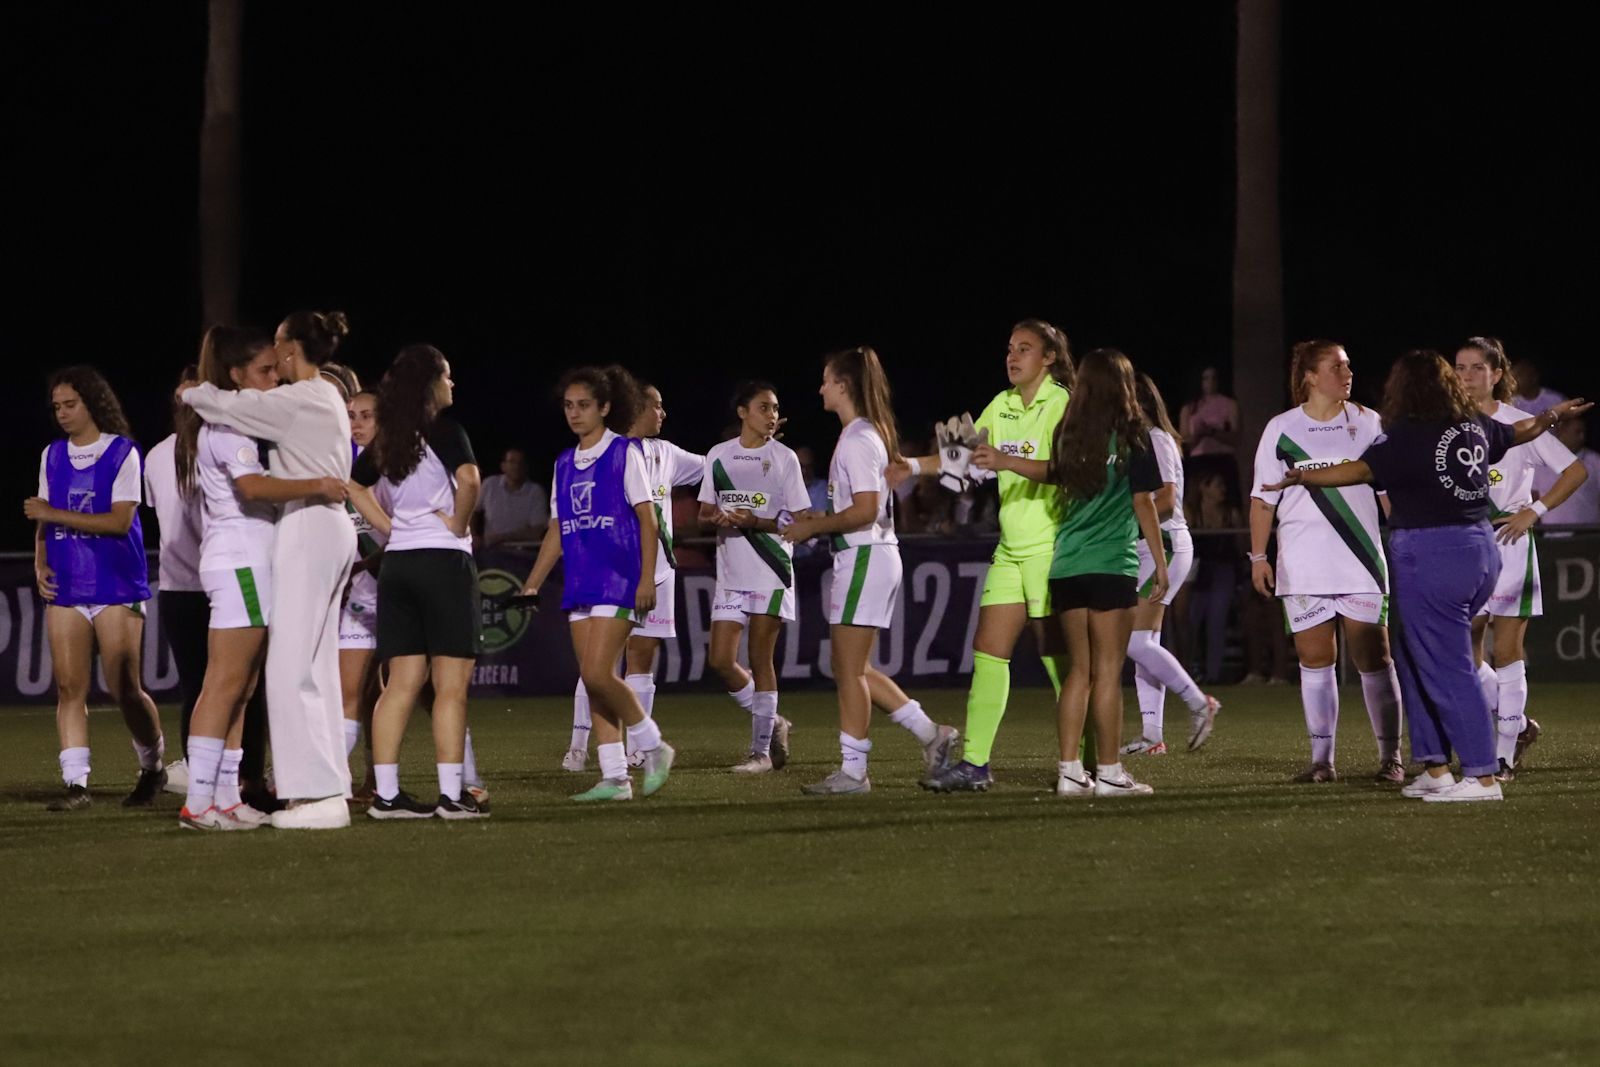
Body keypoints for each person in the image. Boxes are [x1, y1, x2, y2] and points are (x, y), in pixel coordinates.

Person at [1262, 350, 1589, 802]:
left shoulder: (1406, 436)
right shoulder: (1473, 427)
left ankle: (1482, 775)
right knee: (1413, 660)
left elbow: (1359, 471)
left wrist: (1303, 476)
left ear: (1403, 389)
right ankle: (1435, 768)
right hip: (1478, 550)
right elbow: (1523, 430)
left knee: (1451, 665)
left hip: (1434, 553)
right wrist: (1553, 413)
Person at [180, 309, 358, 830]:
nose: (273, 368)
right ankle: (316, 791)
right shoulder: (313, 396)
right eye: (262, 364)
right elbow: (238, 413)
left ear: (289, 347)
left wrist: (189, 390)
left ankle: (311, 793)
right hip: (297, 533)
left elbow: (228, 401)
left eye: (276, 353)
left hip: (306, 531)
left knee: (285, 670)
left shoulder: (299, 398)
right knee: (299, 669)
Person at [899, 319, 1074, 792]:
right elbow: (963, 456)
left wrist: (1005, 460)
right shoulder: (1002, 404)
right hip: (1012, 550)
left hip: (1052, 549)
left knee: (1062, 664)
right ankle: (976, 764)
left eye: (1025, 349)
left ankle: (1089, 763)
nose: (1013, 357)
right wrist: (911, 465)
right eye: (1009, 349)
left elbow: (1066, 470)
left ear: (1050, 357)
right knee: (989, 653)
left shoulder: (1062, 404)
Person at [780, 346, 958, 795]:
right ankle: (932, 735)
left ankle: (854, 772)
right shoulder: (864, 435)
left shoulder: (858, 439)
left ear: (843, 386)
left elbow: (865, 510)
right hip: (866, 556)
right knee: (854, 666)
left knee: (847, 669)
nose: (821, 387)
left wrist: (813, 527)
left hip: (863, 556)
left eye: (826, 379)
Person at [1249, 340, 1404, 784]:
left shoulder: (1368, 422)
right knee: (1316, 660)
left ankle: (1390, 758)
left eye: (1349, 365)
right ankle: (1322, 761)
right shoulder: (1281, 428)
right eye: (1337, 366)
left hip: (1360, 560)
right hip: (1303, 562)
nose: (1347, 372)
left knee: (1375, 658)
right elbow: (1263, 499)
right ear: (1310, 377)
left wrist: (1409, 538)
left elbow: (1386, 490)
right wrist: (1260, 556)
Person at [521, 365, 676, 802]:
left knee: (597, 672)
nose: (574, 413)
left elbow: (648, 519)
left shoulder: (624, 453)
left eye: (584, 405)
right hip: (582, 581)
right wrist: (533, 582)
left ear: (605, 407)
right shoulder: (564, 463)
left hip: (620, 578)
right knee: (594, 682)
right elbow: (558, 528)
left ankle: (653, 744)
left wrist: (646, 578)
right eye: (569, 406)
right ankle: (614, 777)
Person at [350, 345, 487, 819]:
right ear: (431, 383)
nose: (452, 385)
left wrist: (389, 527)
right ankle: (452, 796)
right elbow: (470, 480)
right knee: (450, 685)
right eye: (447, 377)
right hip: (443, 561)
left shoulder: (389, 439)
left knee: (401, 683)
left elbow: (351, 485)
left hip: (399, 566)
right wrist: (459, 525)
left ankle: (386, 795)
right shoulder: (446, 430)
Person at [26, 367, 167, 811]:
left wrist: (54, 514)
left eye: (71, 405)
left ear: (93, 403)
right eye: (57, 407)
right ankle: (76, 785)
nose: (63, 414)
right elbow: (42, 521)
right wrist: (40, 562)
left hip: (116, 583)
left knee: (124, 687)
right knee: (70, 686)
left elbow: (119, 521)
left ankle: (153, 767)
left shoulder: (122, 452)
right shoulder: (52, 454)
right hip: (67, 584)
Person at [1030, 349, 1168, 798]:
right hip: (1112, 566)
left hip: (1066, 566)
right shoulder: (1133, 437)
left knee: (1079, 673)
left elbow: (1052, 481)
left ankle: (1069, 772)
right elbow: (1144, 503)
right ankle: (1109, 773)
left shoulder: (1068, 435)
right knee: (1108, 673)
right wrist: (1161, 563)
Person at [1455, 338, 1589, 779]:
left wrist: (1535, 510)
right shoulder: (1449, 423)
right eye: (1460, 367)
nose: (1467, 375)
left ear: (1497, 374)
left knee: (1507, 650)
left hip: (1509, 542)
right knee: (1464, 653)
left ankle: (1504, 755)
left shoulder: (1521, 424)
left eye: (1477, 367)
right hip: (1464, 543)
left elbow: (1575, 471)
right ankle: (1521, 724)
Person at [564, 383, 703, 773]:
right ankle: (578, 744)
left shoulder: (666, 453)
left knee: (641, 656)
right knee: (597, 663)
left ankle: (635, 752)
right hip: (615, 574)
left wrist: (750, 450)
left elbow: (714, 467)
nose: (663, 413)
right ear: (638, 408)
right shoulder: (609, 454)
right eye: (657, 406)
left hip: (657, 574)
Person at [699, 381, 812, 772]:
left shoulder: (784, 458)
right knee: (720, 659)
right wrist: (716, 518)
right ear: (742, 412)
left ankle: (760, 752)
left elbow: (800, 520)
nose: (772, 415)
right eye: (764, 407)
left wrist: (755, 521)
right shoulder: (718, 456)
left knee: (760, 657)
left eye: (776, 408)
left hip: (771, 569)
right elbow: (703, 512)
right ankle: (773, 721)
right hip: (731, 573)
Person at [1121, 373, 1221, 756]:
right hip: (1151, 545)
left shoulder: (1155, 439)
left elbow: (1165, 500)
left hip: (1164, 543)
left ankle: (1199, 703)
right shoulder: (1145, 439)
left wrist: (1120, 521)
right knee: (1145, 643)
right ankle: (1152, 735)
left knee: (1133, 641)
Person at [144, 365, 207, 795]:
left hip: (180, 585)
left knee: (199, 685)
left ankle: (202, 770)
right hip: (217, 583)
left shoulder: (155, 454)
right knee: (228, 685)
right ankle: (233, 774)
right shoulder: (219, 446)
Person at [338, 387, 384, 798]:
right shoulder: (342, 463)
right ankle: (339, 781)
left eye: (366, 415)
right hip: (361, 595)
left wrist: (368, 561)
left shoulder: (398, 464)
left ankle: (469, 782)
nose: (357, 423)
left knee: (427, 692)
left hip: (402, 589)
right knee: (353, 690)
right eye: (351, 415)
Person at [1185, 472, 1245, 685]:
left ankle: (1213, 673)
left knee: (1216, 620)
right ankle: (1189, 669)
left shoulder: (1231, 514)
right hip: (1197, 571)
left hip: (1223, 570)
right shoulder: (1192, 513)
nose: (1223, 490)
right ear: (1204, 487)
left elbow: (1240, 547)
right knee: (1191, 619)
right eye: (1218, 484)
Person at [1179, 365, 1242, 501]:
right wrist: (1200, 434)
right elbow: (1184, 443)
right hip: (1199, 462)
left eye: (1214, 378)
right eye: (1206, 379)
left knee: (1228, 502)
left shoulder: (1229, 404)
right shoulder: (1189, 408)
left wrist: (1212, 431)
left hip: (1223, 459)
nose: (1211, 383)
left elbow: (1236, 438)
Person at [473, 447, 549, 546]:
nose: (517, 466)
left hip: (523, 551)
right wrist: (472, 535)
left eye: (520, 463)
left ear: (526, 467)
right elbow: (472, 511)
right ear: (503, 466)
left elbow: (537, 531)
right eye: (512, 462)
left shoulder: (535, 492)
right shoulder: (490, 484)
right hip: (490, 549)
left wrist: (501, 538)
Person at [1533, 418, 1600, 526]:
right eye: (1577, 432)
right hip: (1551, 533)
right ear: (1562, 431)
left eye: (1584, 432)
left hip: (1588, 534)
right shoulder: (1542, 462)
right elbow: (1533, 497)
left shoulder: (1595, 461)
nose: (1582, 437)